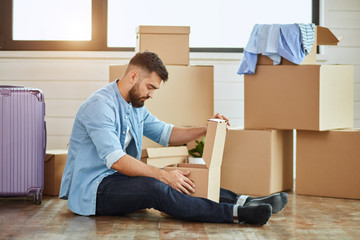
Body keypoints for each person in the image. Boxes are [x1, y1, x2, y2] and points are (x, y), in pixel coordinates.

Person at [59, 51, 288, 225]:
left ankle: (244, 201)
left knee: (183, 178)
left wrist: (206, 127)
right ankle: (235, 214)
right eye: (150, 87)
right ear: (133, 76)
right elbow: (116, 160)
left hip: (116, 180)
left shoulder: (135, 106)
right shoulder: (100, 106)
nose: (151, 94)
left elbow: (166, 133)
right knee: (157, 187)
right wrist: (163, 175)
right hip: (94, 190)